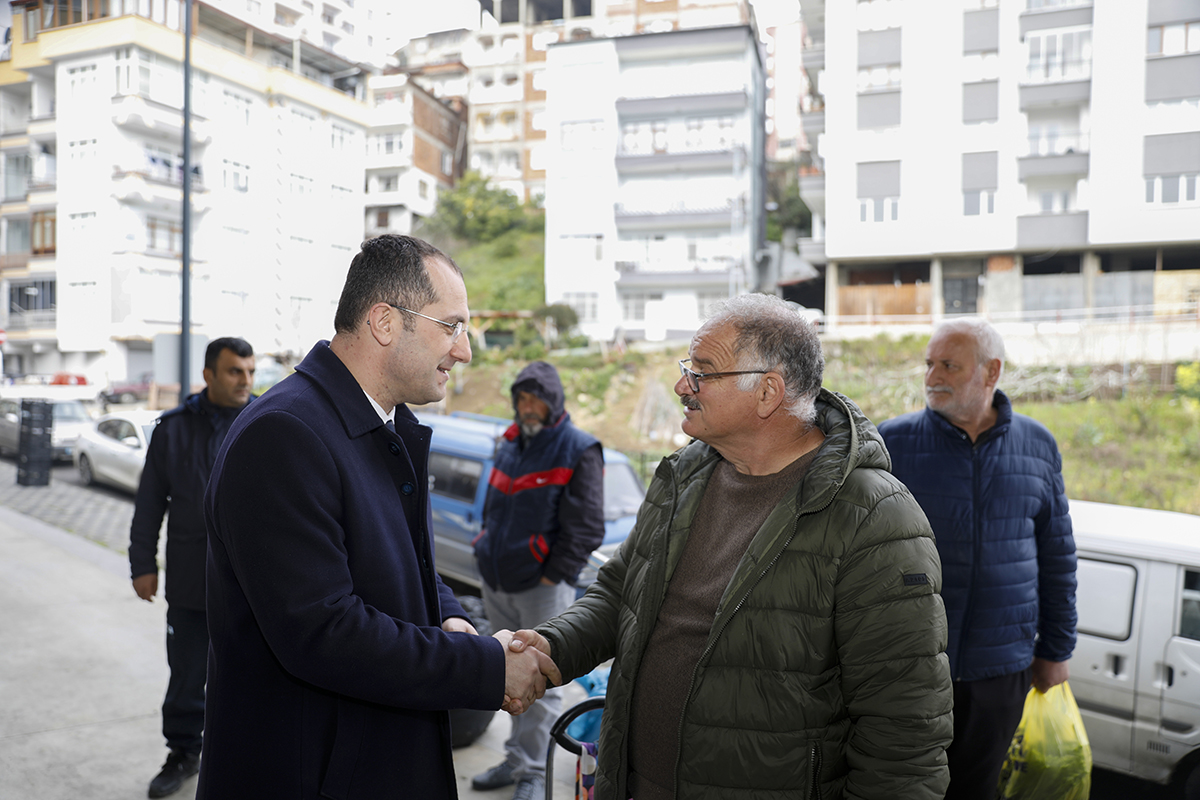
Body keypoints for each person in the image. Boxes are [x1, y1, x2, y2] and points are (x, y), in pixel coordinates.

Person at [511, 293, 954, 800]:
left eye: (702, 372)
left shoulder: (874, 518)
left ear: (767, 392)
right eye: (687, 369)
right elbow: (620, 592)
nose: (682, 386)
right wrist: (549, 648)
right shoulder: (683, 476)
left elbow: (904, 737)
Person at [197, 234, 559, 800]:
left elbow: (401, 560)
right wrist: (485, 668)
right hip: (310, 776)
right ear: (386, 322)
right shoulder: (284, 435)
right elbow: (323, 631)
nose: (464, 351)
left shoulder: (381, 425)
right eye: (452, 326)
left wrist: (448, 617)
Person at [877, 317, 1078, 800]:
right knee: (898, 788)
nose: (932, 377)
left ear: (992, 372)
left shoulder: (1038, 445)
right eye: (929, 364)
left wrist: (1056, 651)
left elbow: (1057, 556)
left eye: (949, 365)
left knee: (977, 790)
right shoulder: (892, 442)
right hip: (908, 667)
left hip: (1001, 671)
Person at [128, 337, 256, 798]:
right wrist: (142, 563)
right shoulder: (173, 429)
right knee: (186, 674)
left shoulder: (267, 420)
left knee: (252, 677)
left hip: (252, 584)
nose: (245, 381)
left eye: (250, 371)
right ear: (208, 375)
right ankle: (184, 752)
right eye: (235, 371)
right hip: (190, 579)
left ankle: (248, 756)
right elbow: (150, 502)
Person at [471, 362, 605, 800]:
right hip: (498, 581)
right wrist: (484, 546)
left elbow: (587, 528)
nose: (528, 407)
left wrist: (552, 575)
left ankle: (532, 769)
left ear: (554, 402)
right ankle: (516, 758)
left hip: (541, 588)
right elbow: (493, 508)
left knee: (540, 681)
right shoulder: (511, 441)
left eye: (536, 400)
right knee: (508, 675)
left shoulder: (579, 448)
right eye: (522, 399)